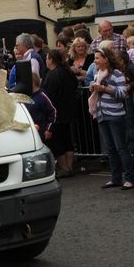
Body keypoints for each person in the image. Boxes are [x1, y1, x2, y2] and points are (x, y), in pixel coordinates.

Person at [89, 47, 134, 189]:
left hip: (115, 115)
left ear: (106, 59)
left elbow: (123, 94)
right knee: (110, 148)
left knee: (121, 147)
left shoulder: (117, 74)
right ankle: (115, 178)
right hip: (102, 114)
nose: (95, 61)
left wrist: (105, 89)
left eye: (97, 58)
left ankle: (130, 178)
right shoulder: (98, 74)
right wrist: (94, 88)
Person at [42, 49, 79, 178]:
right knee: (68, 140)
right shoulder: (67, 72)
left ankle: (64, 168)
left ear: (51, 59)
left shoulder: (52, 75)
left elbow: (48, 96)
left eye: (47, 58)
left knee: (57, 141)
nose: (45, 61)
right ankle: (69, 166)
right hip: (69, 111)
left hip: (57, 113)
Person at [25, 72, 57, 144]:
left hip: (41, 132)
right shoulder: (27, 96)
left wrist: (49, 130)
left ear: (32, 83)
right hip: (31, 132)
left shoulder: (42, 96)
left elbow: (53, 112)